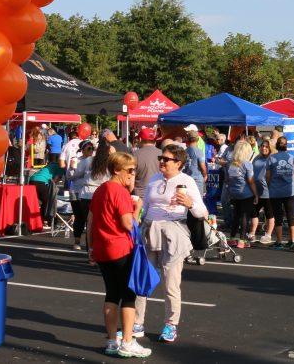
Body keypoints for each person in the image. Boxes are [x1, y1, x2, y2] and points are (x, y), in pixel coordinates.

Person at [133, 144, 208, 345]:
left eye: (166, 159)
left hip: (173, 231)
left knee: (171, 283)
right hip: (150, 230)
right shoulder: (155, 179)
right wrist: (139, 224)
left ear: (179, 163)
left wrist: (190, 203)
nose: (162, 162)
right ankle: (137, 322)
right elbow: (147, 205)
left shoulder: (187, 181)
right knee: (143, 279)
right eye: (161, 158)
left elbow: (202, 213)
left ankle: (170, 324)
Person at [87, 151, 150, 358]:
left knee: (111, 294)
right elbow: (127, 223)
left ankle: (112, 341)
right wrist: (137, 209)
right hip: (121, 248)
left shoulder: (101, 190)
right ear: (117, 170)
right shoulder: (119, 192)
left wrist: (90, 248)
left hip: (103, 249)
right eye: (130, 170)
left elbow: (91, 221)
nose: (133, 174)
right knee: (128, 296)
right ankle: (127, 341)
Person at [265, 136, 294, 248]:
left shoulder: (272, 158)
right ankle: (292, 240)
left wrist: (269, 187)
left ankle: (279, 242)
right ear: (286, 145)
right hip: (289, 191)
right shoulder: (292, 157)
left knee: (278, 217)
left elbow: (268, 176)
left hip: (275, 191)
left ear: (277, 145)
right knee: (290, 216)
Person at [224, 140, 258, 247]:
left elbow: (228, 180)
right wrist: (256, 194)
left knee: (236, 215)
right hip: (245, 193)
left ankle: (232, 238)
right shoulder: (247, 164)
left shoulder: (230, 164)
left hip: (234, 192)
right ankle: (242, 240)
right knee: (244, 216)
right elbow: (251, 181)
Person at [68, 140, 98, 250]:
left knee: (89, 218)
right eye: (88, 149)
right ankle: (77, 241)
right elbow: (70, 177)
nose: (91, 151)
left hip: (88, 193)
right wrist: (72, 169)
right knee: (79, 216)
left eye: (92, 148)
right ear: (82, 150)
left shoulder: (94, 161)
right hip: (76, 191)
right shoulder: (76, 160)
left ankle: (90, 243)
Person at [250, 139, 273, 244]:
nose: (264, 148)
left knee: (269, 214)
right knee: (254, 212)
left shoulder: (272, 159)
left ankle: (268, 235)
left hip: (268, 192)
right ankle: (252, 233)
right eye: (262, 146)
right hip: (256, 191)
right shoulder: (256, 158)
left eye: (266, 146)